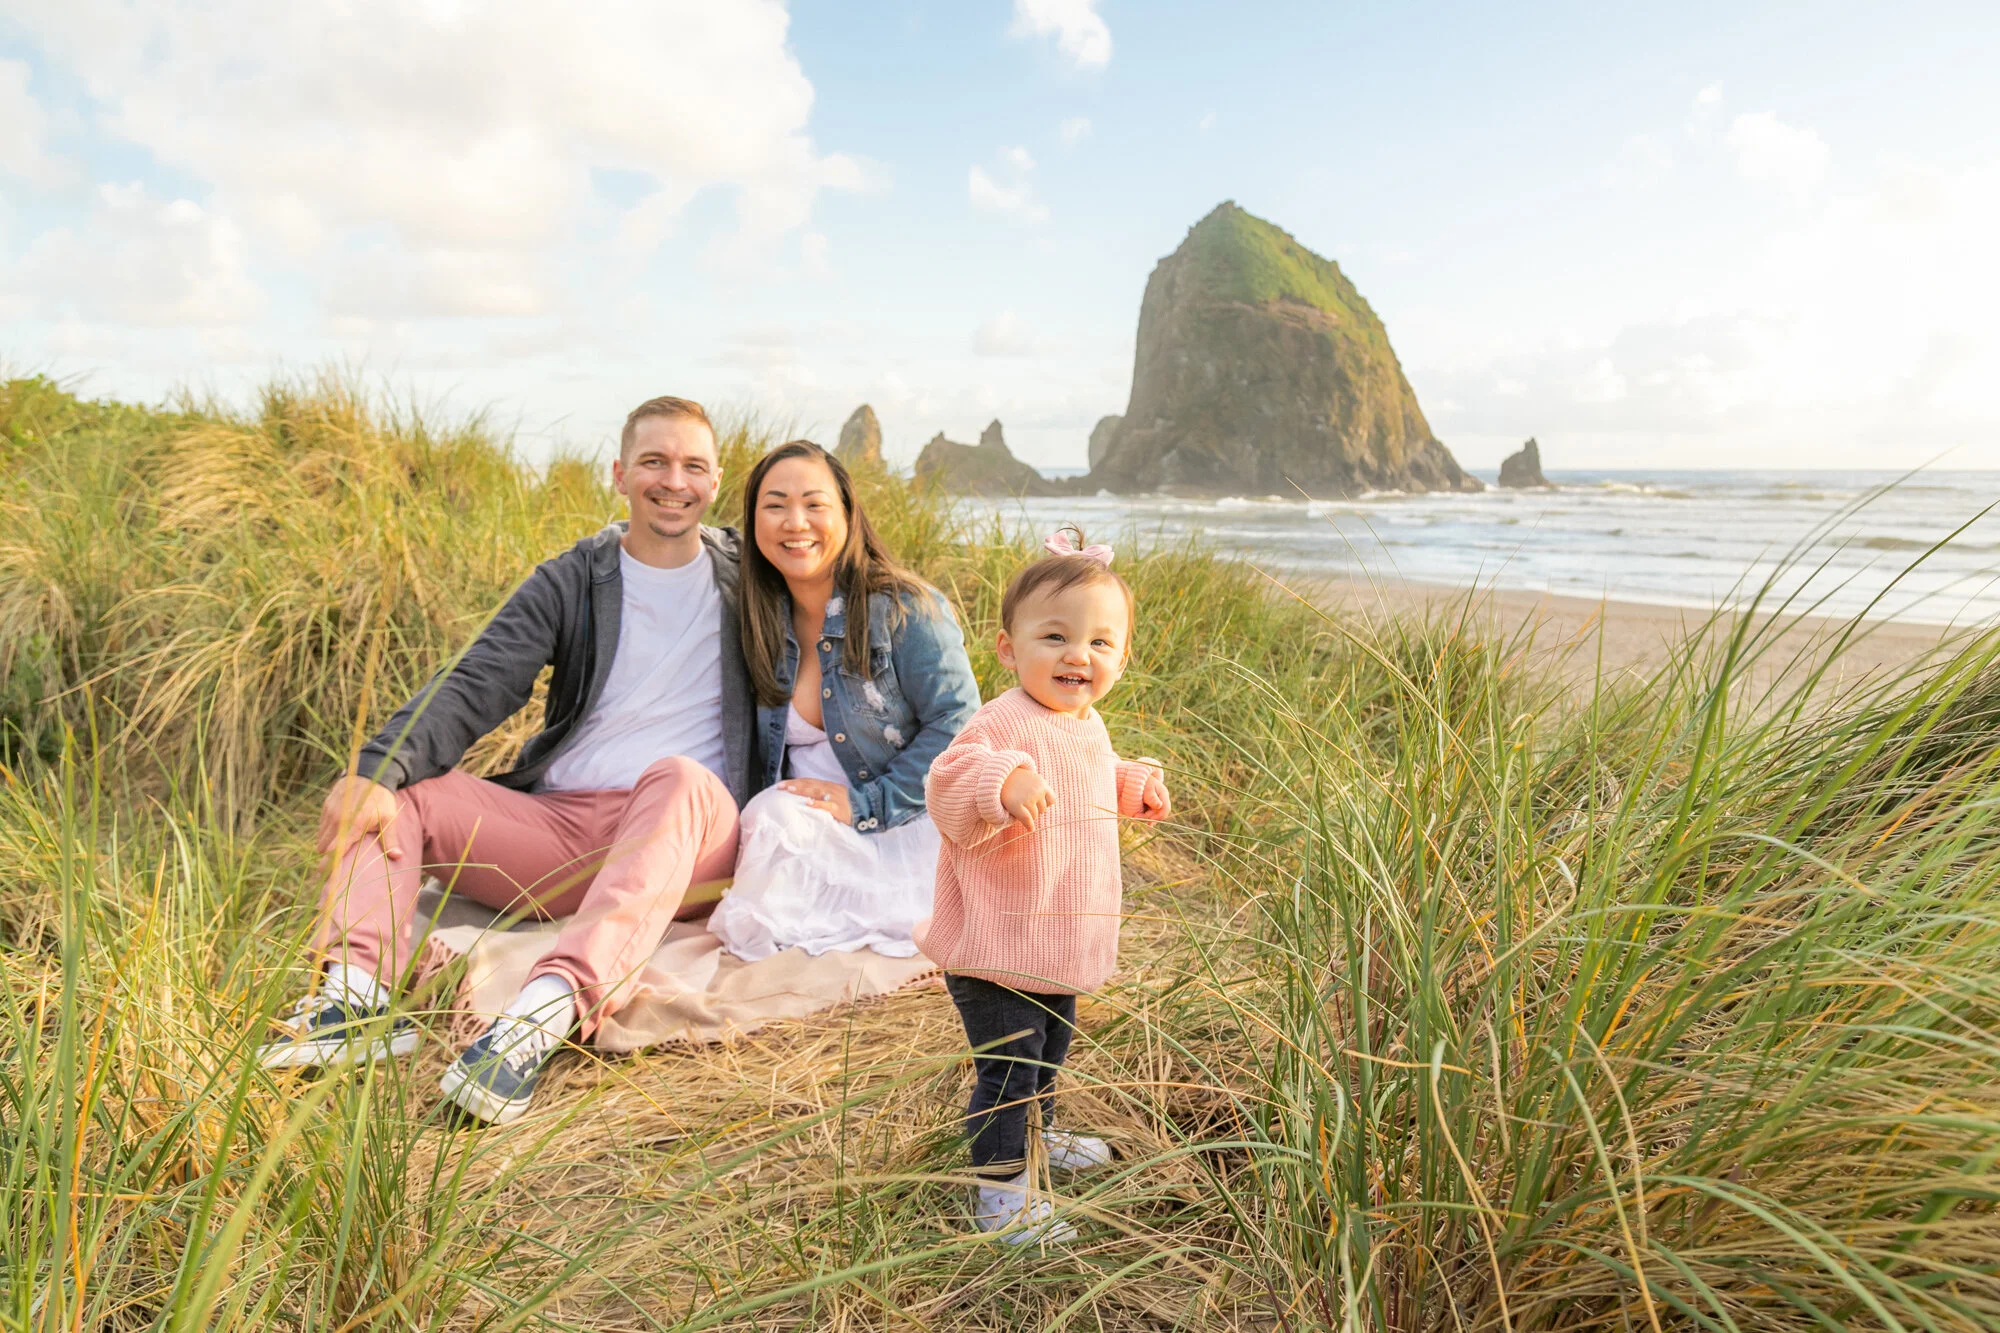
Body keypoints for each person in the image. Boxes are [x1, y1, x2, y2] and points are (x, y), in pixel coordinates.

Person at [257, 395, 761, 1126]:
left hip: (687, 835)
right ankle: (355, 1001)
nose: (672, 480)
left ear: (715, 482)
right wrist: (376, 768)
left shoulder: (752, 579)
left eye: (691, 465)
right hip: (562, 829)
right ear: (621, 473)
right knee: (400, 795)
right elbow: (475, 680)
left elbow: (858, 604)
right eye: (653, 461)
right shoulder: (571, 580)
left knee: (679, 774)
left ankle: (539, 1017)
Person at [918, 529, 1172, 1243]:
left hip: (1057, 936)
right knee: (1008, 1073)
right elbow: (947, 783)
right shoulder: (1001, 721)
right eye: (1055, 636)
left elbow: (1088, 772)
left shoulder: (1084, 724)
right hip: (1000, 946)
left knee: (1049, 1052)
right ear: (1008, 648)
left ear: (1121, 656)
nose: (1076, 655)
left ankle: (1041, 1133)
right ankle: (1001, 1194)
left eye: (1099, 643)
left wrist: (1129, 784)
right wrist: (1004, 780)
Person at [707, 440, 980, 961]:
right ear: (752, 520)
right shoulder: (758, 618)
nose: (795, 522)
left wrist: (866, 805)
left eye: (814, 504)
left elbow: (959, 722)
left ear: (848, 515)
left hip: (904, 821)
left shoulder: (903, 607)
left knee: (772, 822)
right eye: (775, 505)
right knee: (770, 820)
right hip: (809, 832)